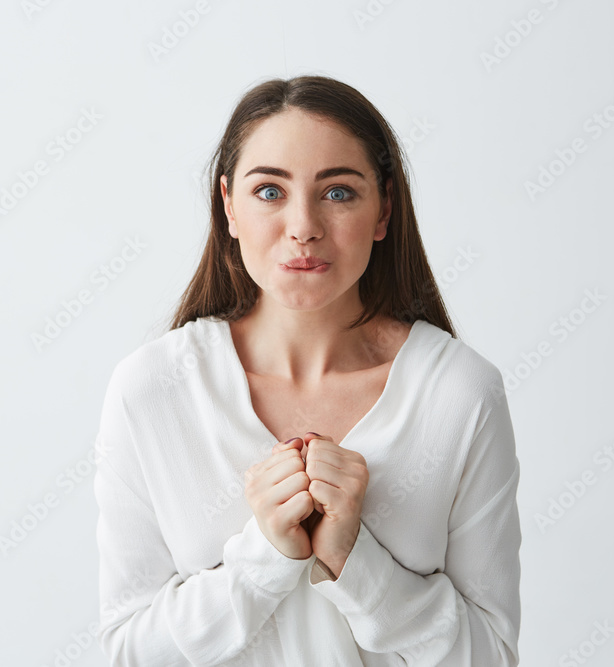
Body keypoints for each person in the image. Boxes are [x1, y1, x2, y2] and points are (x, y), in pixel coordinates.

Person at [92, 74, 522, 666]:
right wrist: (265, 558)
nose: (303, 227)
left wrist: (357, 563)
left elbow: (491, 658)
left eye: (338, 192)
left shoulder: (460, 393)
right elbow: (129, 654)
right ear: (229, 207)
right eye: (269, 191)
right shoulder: (152, 391)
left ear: (384, 208)